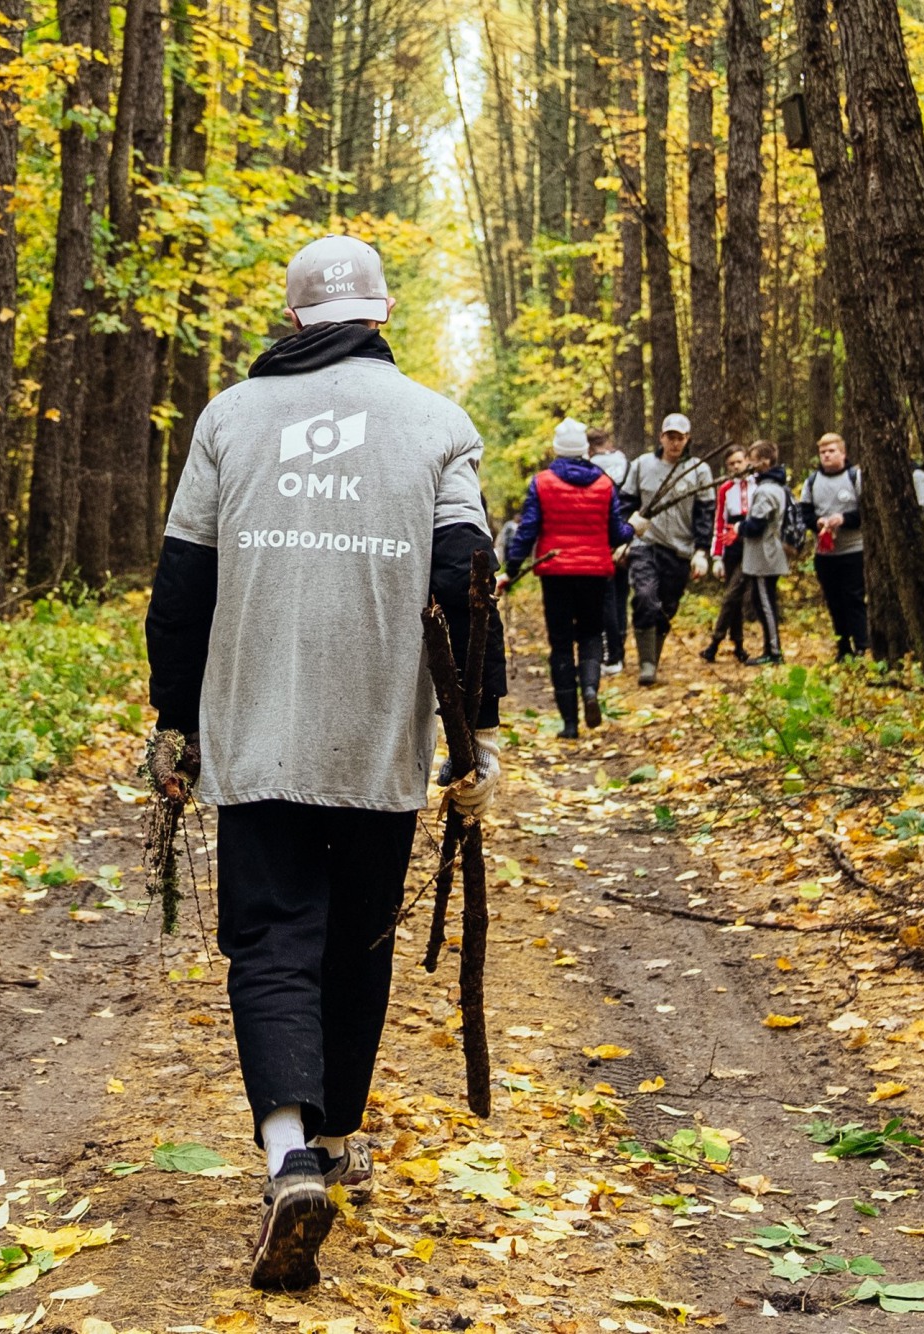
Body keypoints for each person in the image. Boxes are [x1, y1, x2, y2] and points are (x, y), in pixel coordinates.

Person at [145, 235, 508, 1290]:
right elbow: (467, 587)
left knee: (267, 939)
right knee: (354, 940)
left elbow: (181, 586)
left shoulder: (227, 418)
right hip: (377, 739)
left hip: (254, 732)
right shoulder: (438, 425)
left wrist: (176, 717)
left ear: (292, 317)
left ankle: (287, 1153)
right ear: (381, 315)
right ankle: (337, 1137)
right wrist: (471, 735)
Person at [500, 418, 635, 739]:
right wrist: (634, 528)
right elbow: (616, 534)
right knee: (590, 636)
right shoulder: (604, 484)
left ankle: (570, 725)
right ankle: (590, 690)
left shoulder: (542, 482)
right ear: (585, 450)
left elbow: (527, 530)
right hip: (594, 574)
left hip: (556, 574)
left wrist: (511, 569)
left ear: (558, 449)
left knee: (560, 645)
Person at [619, 412, 716, 685]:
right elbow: (625, 502)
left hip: (680, 549)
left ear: (687, 440)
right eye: (670, 437)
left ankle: (654, 658)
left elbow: (705, 513)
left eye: (680, 438)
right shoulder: (641, 465)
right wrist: (626, 533)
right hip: (645, 544)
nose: (674, 443)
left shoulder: (699, 470)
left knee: (667, 606)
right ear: (661, 437)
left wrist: (701, 550)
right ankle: (646, 666)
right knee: (645, 598)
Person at [799, 432, 868, 660]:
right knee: (834, 601)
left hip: (853, 549)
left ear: (843, 453)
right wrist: (817, 522)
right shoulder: (812, 482)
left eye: (831, 451)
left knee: (854, 598)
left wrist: (844, 519)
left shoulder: (854, 477)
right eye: (823, 452)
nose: (827, 456)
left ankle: (862, 646)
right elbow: (805, 514)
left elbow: (866, 513)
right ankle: (843, 647)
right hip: (825, 553)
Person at [737, 439, 789, 666]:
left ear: (765, 462)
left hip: (765, 557)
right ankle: (770, 648)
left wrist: (739, 527)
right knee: (761, 602)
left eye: (753, 459)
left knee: (766, 604)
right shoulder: (774, 487)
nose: (749, 464)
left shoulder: (767, 491)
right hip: (764, 555)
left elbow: (755, 526)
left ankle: (774, 652)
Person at [702, 443, 755, 663]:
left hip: (751, 544)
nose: (736, 466)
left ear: (747, 461)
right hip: (731, 547)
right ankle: (739, 646)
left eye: (739, 462)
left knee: (732, 596)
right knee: (734, 598)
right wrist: (717, 556)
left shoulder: (758, 484)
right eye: (731, 464)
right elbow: (719, 521)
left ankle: (715, 642)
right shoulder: (724, 489)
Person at [588, 425, 631, 673]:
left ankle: (613, 654)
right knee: (621, 597)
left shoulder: (593, 470)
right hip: (626, 537)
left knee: (607, 600)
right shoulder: (626, 463)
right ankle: (620, 647)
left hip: (603, 540)